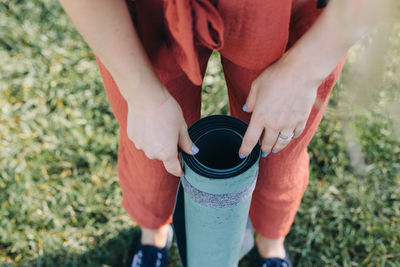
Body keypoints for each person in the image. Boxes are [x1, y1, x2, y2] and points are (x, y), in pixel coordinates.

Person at [59, 0, 391, 266]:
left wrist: (304, 71)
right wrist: (140, 90)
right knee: (154, 157)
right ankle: (153, 233)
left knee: (278, 152)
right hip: (152, 11)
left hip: (286, 9)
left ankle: (270, 243)